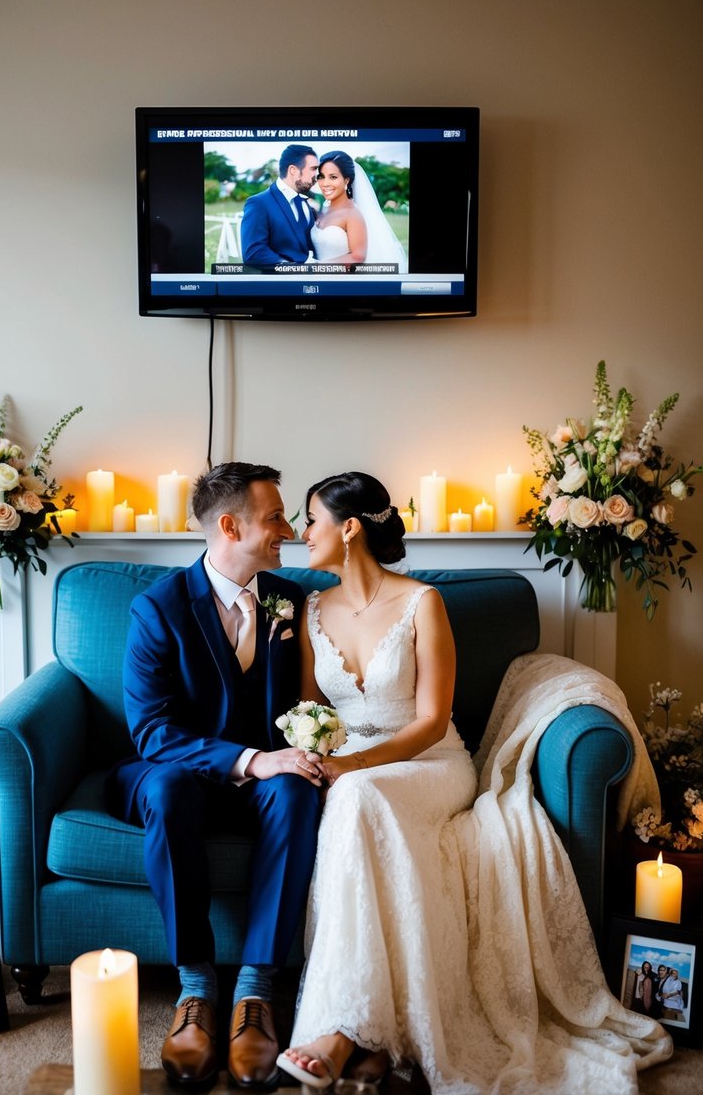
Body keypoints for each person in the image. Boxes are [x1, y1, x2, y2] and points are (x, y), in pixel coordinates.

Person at [277, 470, 670, 1094]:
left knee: (354, 794)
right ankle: (369, 1029)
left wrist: (350, 766)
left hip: (431, 764)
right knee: (350, 800)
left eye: (311, 520)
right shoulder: (311, 608)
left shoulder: (420, 603)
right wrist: (311, 755)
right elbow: (309, 714)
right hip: (350, 767)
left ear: (349, 528)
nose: (302, 533)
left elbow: (434, 721)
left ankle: (341, 1031)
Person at [106, 462, 322, 1089]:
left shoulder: (290, 599)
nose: (289, 529)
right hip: (175, 773)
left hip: (264, 781)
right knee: (170, 789)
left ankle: (255, 992)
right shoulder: (159, 608)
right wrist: (251, 759)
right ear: (231, 525)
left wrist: (296, 753)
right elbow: (152, 733)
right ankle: (196, 990)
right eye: (276, 517)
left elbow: (310, 703)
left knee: (296, 785)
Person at [310, 151, 407, 270]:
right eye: (321, 177)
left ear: (346, 180)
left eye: (333, 177)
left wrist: (316, 267)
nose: (325, 183)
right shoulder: (323, 208)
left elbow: (357, 257)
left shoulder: (352, 214)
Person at [240, 145, 319, 266]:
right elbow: (253, 253)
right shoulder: (258, 203)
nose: (316, 175)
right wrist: (293, 269)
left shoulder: (305, 203)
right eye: (313, 169)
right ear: (293, 170)